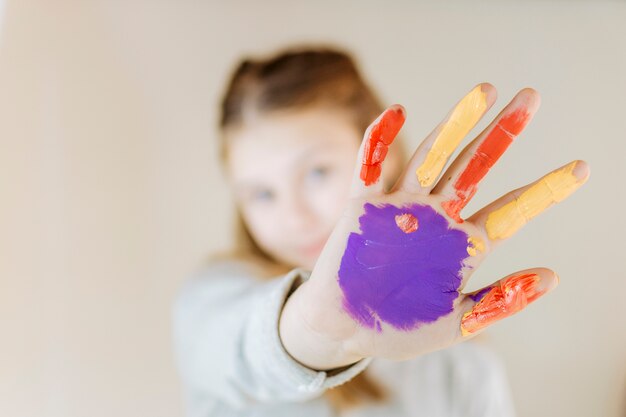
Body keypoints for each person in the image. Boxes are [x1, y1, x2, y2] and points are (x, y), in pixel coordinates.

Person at [171, 46, 590, 417]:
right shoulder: (211, 302)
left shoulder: (460, 361)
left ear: (385, 157)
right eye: (261, 194)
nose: (294, 216)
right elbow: (242, 348)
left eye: (317, 172)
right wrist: (313, 332)